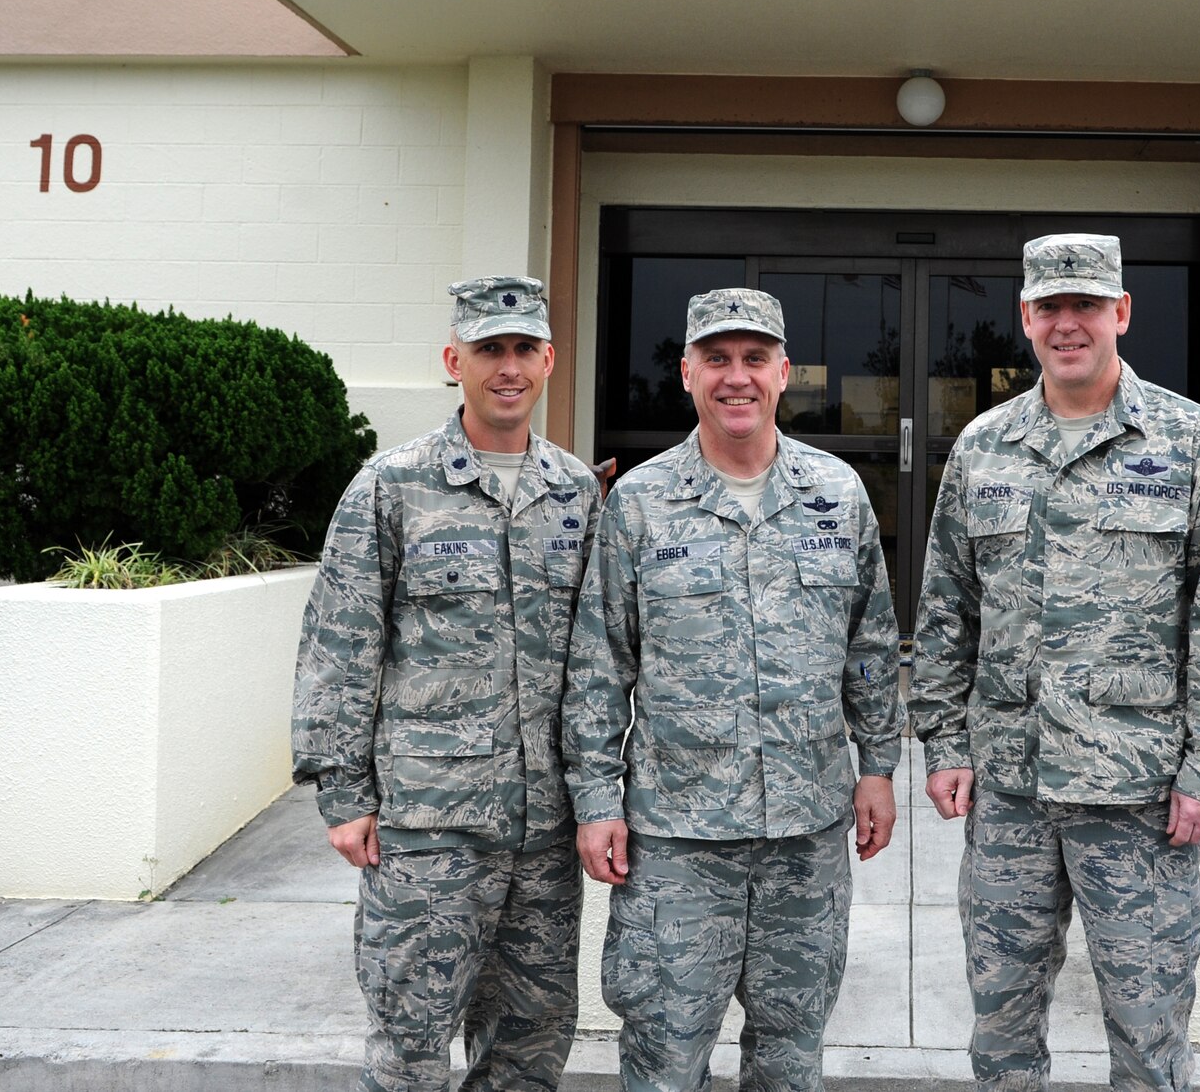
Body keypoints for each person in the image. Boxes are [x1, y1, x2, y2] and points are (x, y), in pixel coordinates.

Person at [910, 233, 1200, 1092]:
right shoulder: (983, 448)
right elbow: (944, 611)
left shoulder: (1190, 442)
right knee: (1000, 1026)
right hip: (1011, 792)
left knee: (1149, 1034)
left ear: (1120, 312)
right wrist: (943, 745)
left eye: (1086, 305)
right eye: (1051, 307)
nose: (1068, 323)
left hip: (1141, 798)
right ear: (1026, 319)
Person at [564, 287, 904, 1092]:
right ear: (687, 373)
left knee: (791, 1057)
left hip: (806, 835)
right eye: (717, 359)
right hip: (677, 842)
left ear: (787, 373)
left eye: (755, 359)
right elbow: (599, 665)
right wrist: (595, 800)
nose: (736, 377)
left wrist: (880, 765)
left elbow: (872, 644)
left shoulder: (837, 495)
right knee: (663, 1058)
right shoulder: (640, 505)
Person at [292, 275, 600, 1092]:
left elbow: (602, 660)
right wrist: (344, 795)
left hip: (544, 828)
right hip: (428, 829)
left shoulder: (576, 494)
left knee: (531, 1047)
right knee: (409, 1045)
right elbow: (339, 644)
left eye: (522, 349)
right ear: (451, 360)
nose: (507, 367)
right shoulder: (392, 487)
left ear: (549, 361)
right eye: (488, 349)